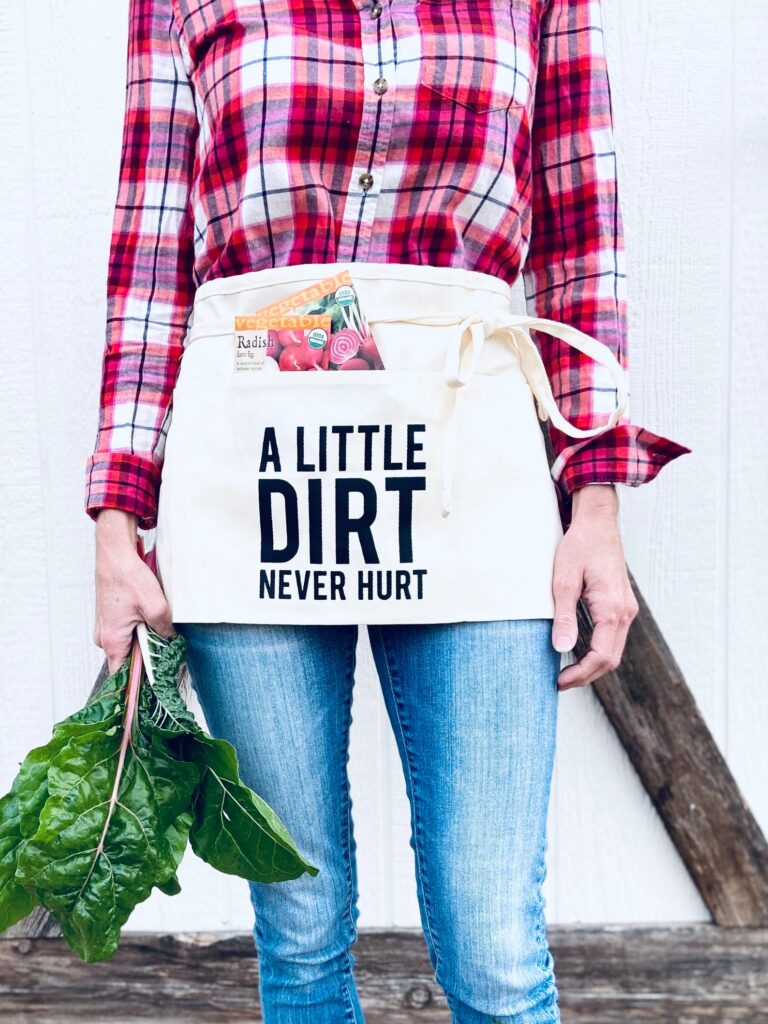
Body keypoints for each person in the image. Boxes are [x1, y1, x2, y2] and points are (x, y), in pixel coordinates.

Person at [85, 1, 691, 1021]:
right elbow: (150, 254)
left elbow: (584, 238)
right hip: (254, 475)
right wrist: (116, 514)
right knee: (301, 930)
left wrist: (595, 505)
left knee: (497, 947)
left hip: (473, 466)